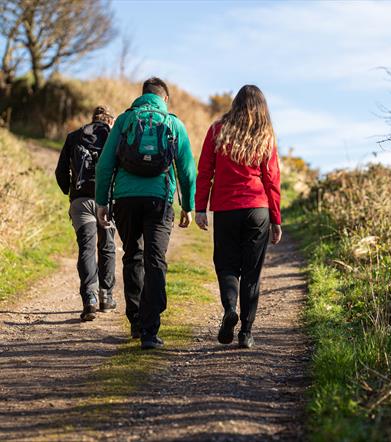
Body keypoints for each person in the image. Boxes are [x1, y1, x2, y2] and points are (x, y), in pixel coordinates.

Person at [95, 77, 196, 350]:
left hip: (126, 198)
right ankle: (151, 330)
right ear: (165, 99)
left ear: (142, 96)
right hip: (160, 199)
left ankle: (136, 322)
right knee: (155, 259)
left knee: (133, 255)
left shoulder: (126, 121)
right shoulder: (173, 123)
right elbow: (187, 170)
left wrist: (102, 201)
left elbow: (105, 163)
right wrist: (188, 205)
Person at [195, 84, 282, 349]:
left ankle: (230, 307)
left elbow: (205, 171)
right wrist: (276, 219)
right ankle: (246, 333)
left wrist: (200, 207)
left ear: (235, 104)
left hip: (226, 209)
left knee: (227, 265)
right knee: (252, 273)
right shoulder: (265, 135)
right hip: (258, 210)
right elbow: (272, 180)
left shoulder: (217, 130)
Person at [55, 106, 117, 322]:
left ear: (93, 119)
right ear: (110, 121)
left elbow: (60, 172)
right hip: (108, 201)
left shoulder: (74, 136)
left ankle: (89, 298)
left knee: (87, 248)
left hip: (81, 201)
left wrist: (70, 193)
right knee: (107, 247)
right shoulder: (114, 136)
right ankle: (106, 297)